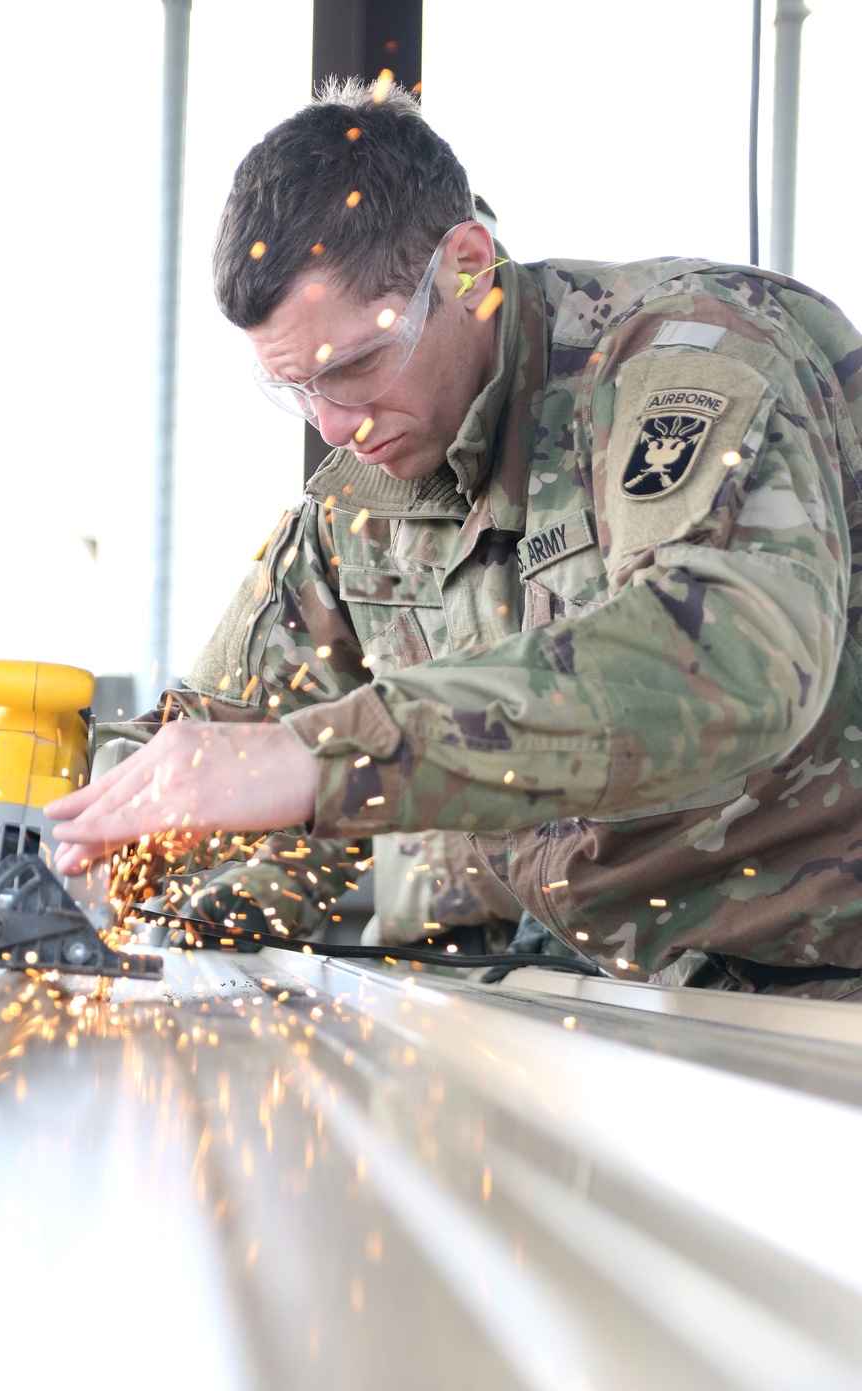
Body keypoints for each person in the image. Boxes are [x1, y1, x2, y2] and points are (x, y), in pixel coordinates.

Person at [48, 77, 862, 998]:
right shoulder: (367, 495)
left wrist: (323, 761)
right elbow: (218, 746)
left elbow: (732, 658)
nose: (334, 425)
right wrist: (76, 830)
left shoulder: (680, 362)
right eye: (293, 389)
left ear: (468, 265)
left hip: (820, 985)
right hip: (604, 990)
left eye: (354, 364)